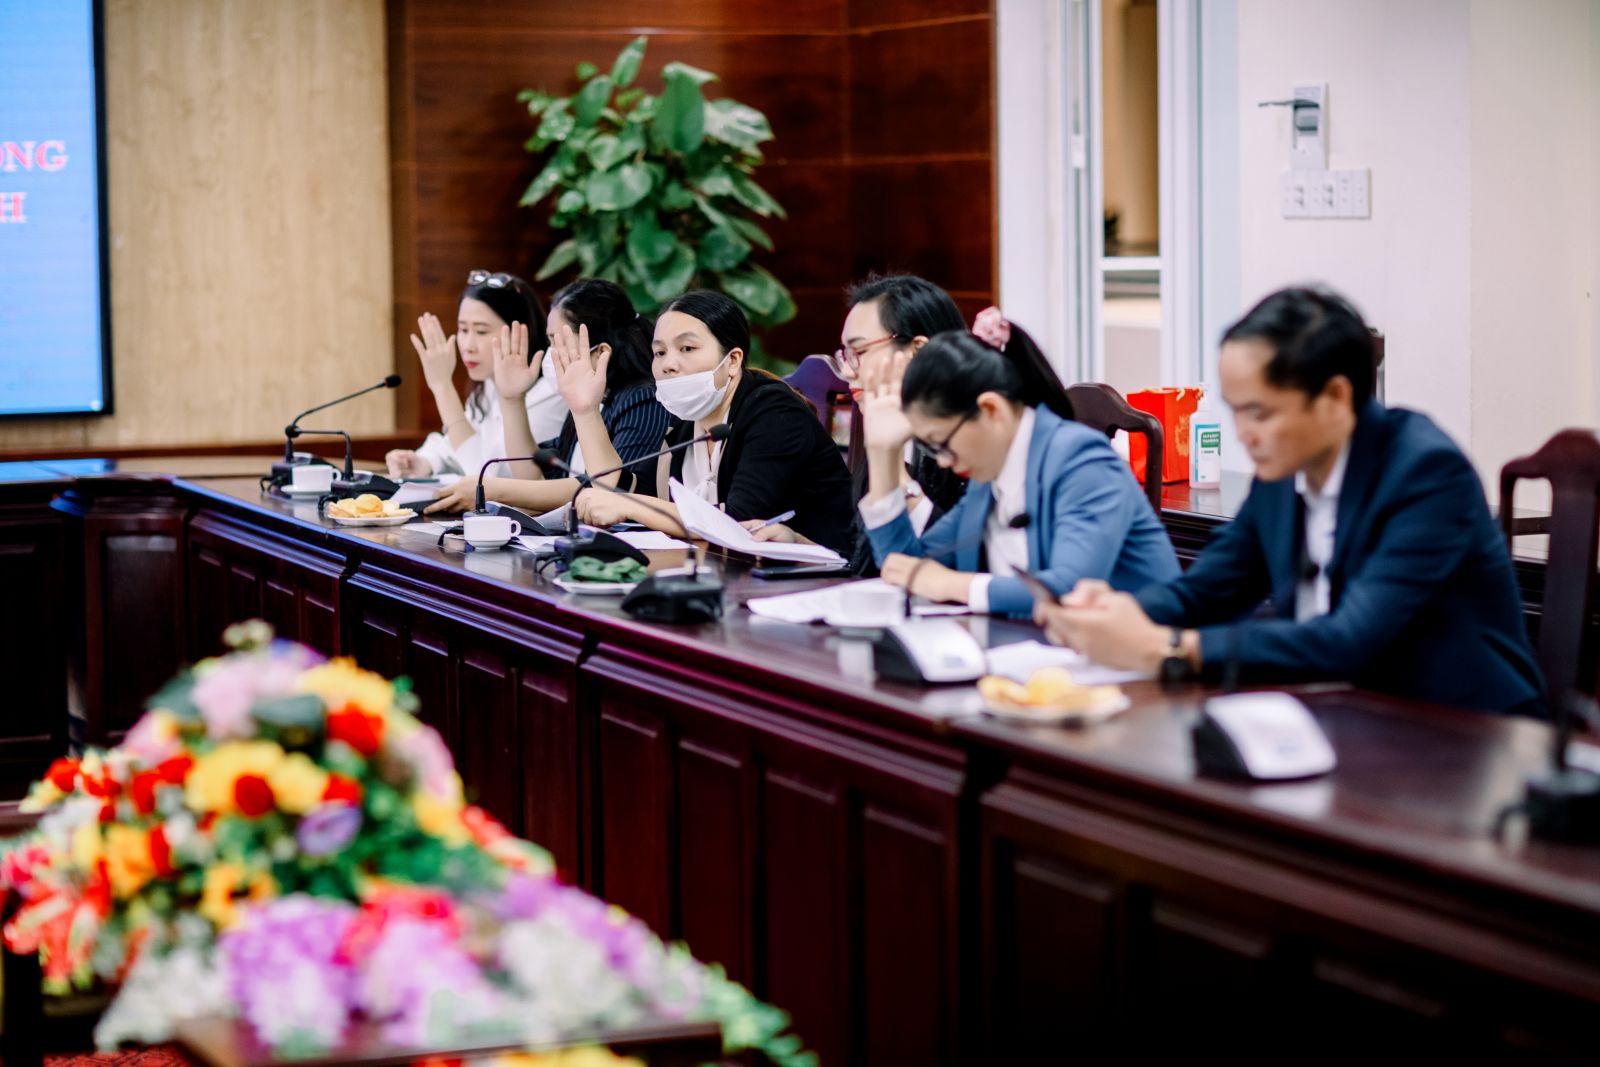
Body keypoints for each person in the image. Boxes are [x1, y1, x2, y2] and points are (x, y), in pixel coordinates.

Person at [1037, 286, 1544, 716]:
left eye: (1260, 413)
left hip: (1462, 730)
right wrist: (1118, 612)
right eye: (1236, 411)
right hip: (1343, 711)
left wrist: (1167, 647)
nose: (1244, 433)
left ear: (1335, 398)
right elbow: (1208, 591)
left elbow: (1348, 640)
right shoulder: (1283, 471)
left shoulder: (1425, 473)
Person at [859, 323, 1180, 617]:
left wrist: (952, 584)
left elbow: (1071, 590)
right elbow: (907, 570)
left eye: (941, 444)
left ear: (991, 410)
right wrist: (882, 456)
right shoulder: (989, 477)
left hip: (1139, 653)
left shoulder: (1082, 460)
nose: (942, 462)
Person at [572, 290, 855, 554]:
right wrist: (586, 411)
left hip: (822, 578)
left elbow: (737, 523)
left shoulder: (775, 413)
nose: (668, 364)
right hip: (730, 570)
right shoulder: (688, 421)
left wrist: (630, 505)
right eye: (659, 352)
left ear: (733, 360)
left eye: (687, 348)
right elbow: (625, 489)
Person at [744, 274, 969, 571]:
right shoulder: (880, 438)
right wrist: (798, 545)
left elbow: (959, 566)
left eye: (860, 352)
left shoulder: (968, 445)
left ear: (918, 350)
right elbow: (866, 562)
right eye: (846, 355)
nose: (849, 372)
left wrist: (892, 469)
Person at [423, 278, 671, 514]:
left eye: (559, 343)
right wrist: (512, 400)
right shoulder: (588, 401)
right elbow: (534, 476)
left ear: (601, 352)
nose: (552, 354)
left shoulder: (642, 400)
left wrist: (495, 490)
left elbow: (608, 488)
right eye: (550, 342)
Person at [385, 270, 567, 482]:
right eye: (463, 330)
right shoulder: (488, 384)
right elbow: (456, 443)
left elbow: (484, 475)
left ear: (519, 332)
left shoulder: (550, 392)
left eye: (481, 332)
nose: (468, 346)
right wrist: (423, 461)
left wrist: (442, 387)